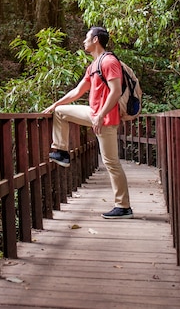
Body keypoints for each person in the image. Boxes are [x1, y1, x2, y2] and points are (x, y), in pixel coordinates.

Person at [43, 26, 133, 220]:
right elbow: (77, 92)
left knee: (111, 162)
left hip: (106, 119)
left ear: (95, 40)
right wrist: (54, 104)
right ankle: (61, 151)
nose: (84, 41)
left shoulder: (109, 61)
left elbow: (116, 91)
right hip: (94, 114)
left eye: (86, 38)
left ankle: (123, 206)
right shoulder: (93, 66)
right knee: (60, 112)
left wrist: (101, 115)